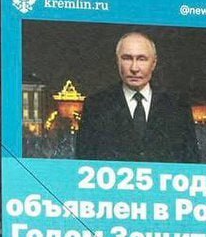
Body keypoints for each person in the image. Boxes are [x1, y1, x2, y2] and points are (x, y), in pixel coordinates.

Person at [75, 31, 199, 164]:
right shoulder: (96, 106)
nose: (134, 68)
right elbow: (83, 162)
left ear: (154, 63)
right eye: (127, 58)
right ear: (117, 61)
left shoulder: (178, 106)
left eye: (142, 59)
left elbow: (192, 162)